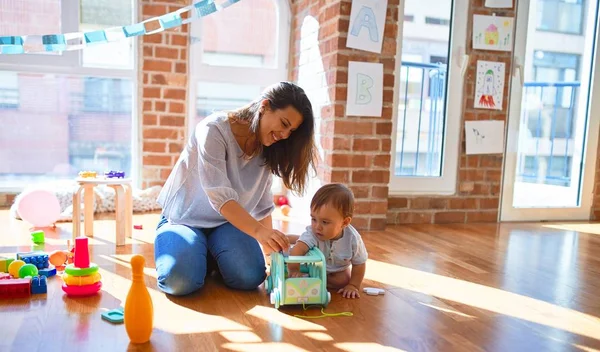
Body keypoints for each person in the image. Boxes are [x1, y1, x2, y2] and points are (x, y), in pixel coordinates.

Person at [154, 82, 317, 296]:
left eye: (291, 130)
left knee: (251, 276)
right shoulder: (213, 130)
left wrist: (272, 258)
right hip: (185, 219)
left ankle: (205, 254)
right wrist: (260, 233)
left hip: (227, 225)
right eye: (284, 123)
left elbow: (262, 205)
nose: (285, 135)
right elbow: (220, 197)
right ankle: (194, 251)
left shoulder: (269, 146)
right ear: (265, 106)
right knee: (180, 281)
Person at [287, 183, 368, 299]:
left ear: (344, 223)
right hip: (315, 267)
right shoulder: (313, 232)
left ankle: (323, 281)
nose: (317, 226)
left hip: (337, 270)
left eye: (325, 222)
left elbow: (359, 263)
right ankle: (296, 238)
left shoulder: (353, 239)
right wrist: (294, 270)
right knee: (306, 274)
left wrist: (353, 285)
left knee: (344, 280)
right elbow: (297, 251)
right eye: (314, 219)